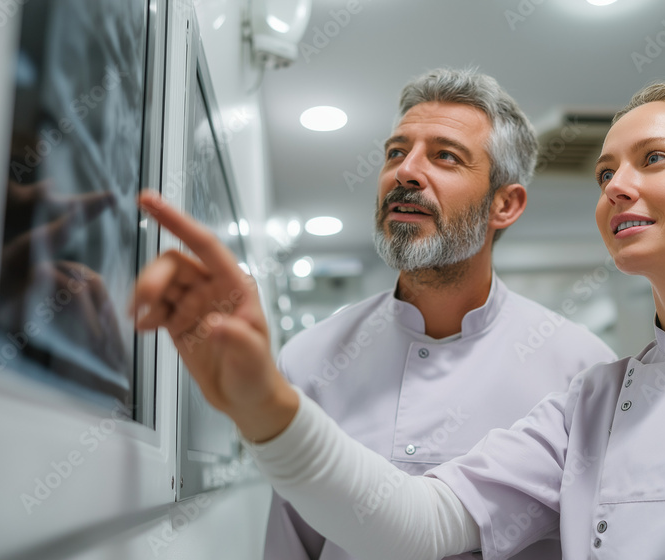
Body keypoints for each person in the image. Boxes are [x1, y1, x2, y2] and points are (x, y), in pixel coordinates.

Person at [132, 80, 665, 559]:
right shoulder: (595, 402)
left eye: (653, 160)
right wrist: (264, 406)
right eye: (605, 171)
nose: (616, 187)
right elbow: (418, 525)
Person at [264, 68, 616, 560]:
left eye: (445, 156)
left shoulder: (581, 369)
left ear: (505, 204)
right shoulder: (311, 359)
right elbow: (290, 545)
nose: (405, 172)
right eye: (395, 152)